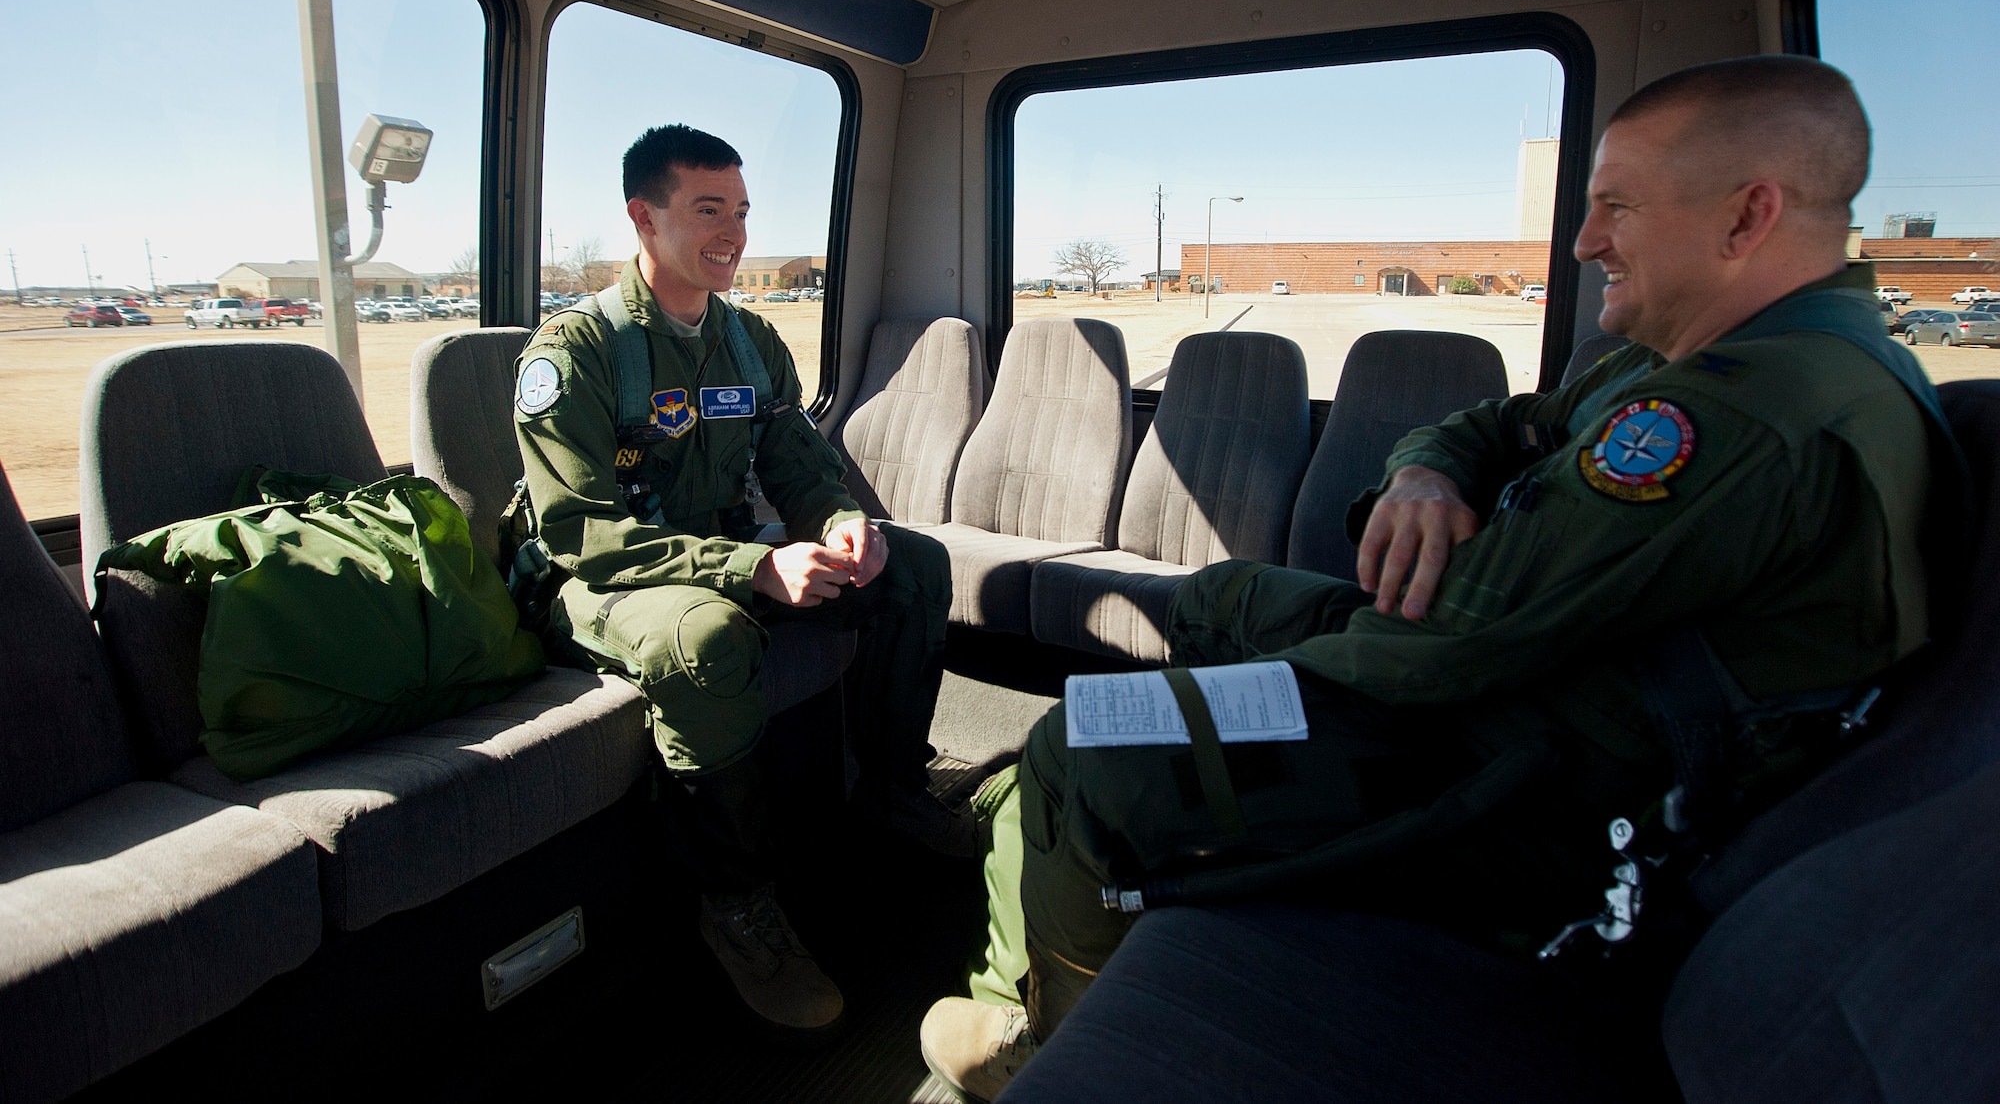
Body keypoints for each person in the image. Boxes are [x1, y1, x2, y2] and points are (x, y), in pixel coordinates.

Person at [919, 56, 1963, 1101]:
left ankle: (1042, 1034)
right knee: (1216, 594)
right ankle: (1107, 827)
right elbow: (1494, 422)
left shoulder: (1741, 416)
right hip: (1505, 673)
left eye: (1614, 207)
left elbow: (1442, 649)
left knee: (1083, 742)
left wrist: (1288, 678)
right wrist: (1423, 471)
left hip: (1533, 772)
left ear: (1746, 216)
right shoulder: (1680, 362)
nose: (1584, 240)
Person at [513, 124, 965, 1034]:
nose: (733, 233)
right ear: (644, 217)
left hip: (708, 548)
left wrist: (840, 523)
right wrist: (752, 566)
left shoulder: (751, 341)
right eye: (708, 209)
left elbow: (798, 463)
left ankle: (890, 792)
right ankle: (737, 904)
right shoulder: (573, 355)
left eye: (743, 211)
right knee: (709, 637)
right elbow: (580, 532)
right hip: (597, 577)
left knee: (913, 565)